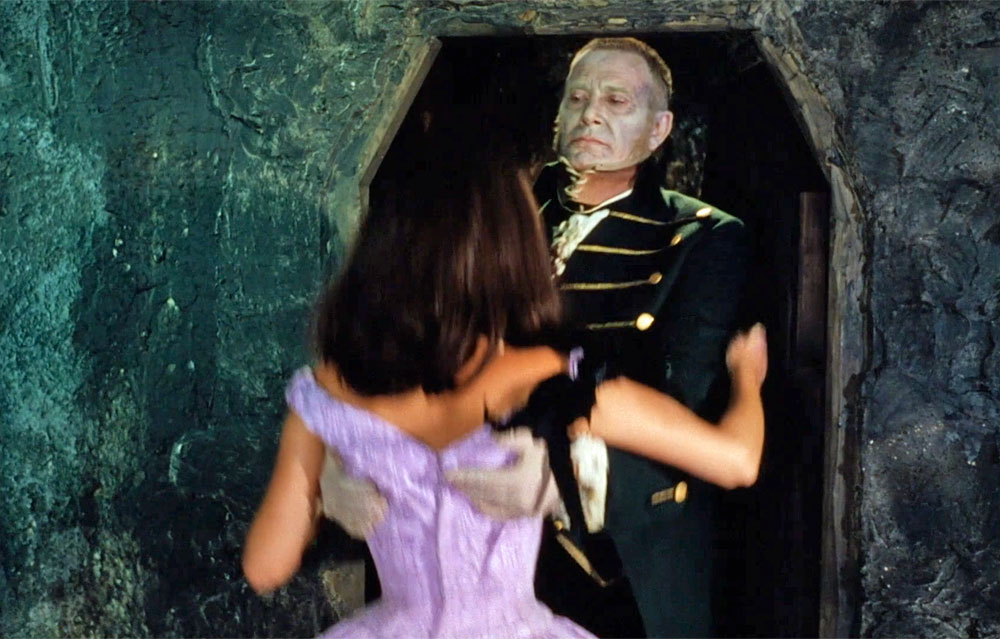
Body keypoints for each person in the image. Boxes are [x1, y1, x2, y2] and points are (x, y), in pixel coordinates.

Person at [242, 127, 767, 638]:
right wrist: (747, 380)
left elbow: (265, 567)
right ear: (512, 249)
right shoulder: (553, 375)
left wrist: (321, 490)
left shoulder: (328, 390)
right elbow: (737, 462)